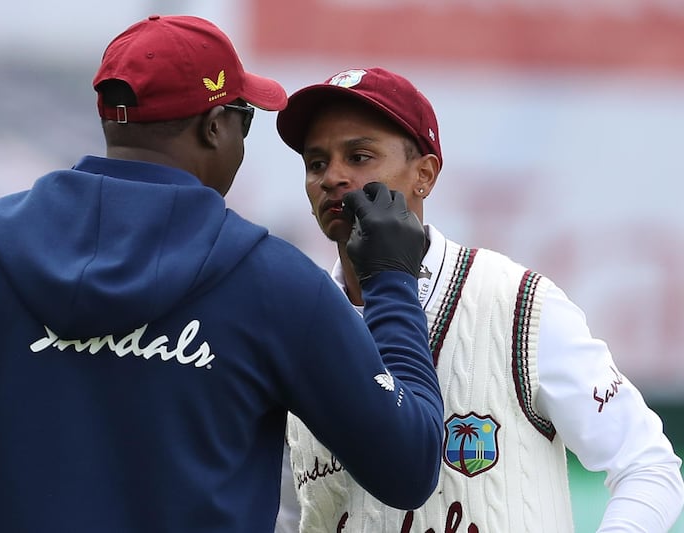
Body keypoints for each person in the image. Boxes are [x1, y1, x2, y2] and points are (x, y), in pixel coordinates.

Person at [0, 20, 446, 533]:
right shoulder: (274, 281)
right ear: (214, 128)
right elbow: (408, 465)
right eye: (244, 121)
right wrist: (393, 279)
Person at [273, 66, 684, 532]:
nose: (333, 177)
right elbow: (289, 515)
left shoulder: (517, 303)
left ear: (424, 174)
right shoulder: (297, 325)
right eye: (316, 162)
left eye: (360, 156)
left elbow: (649, 467)